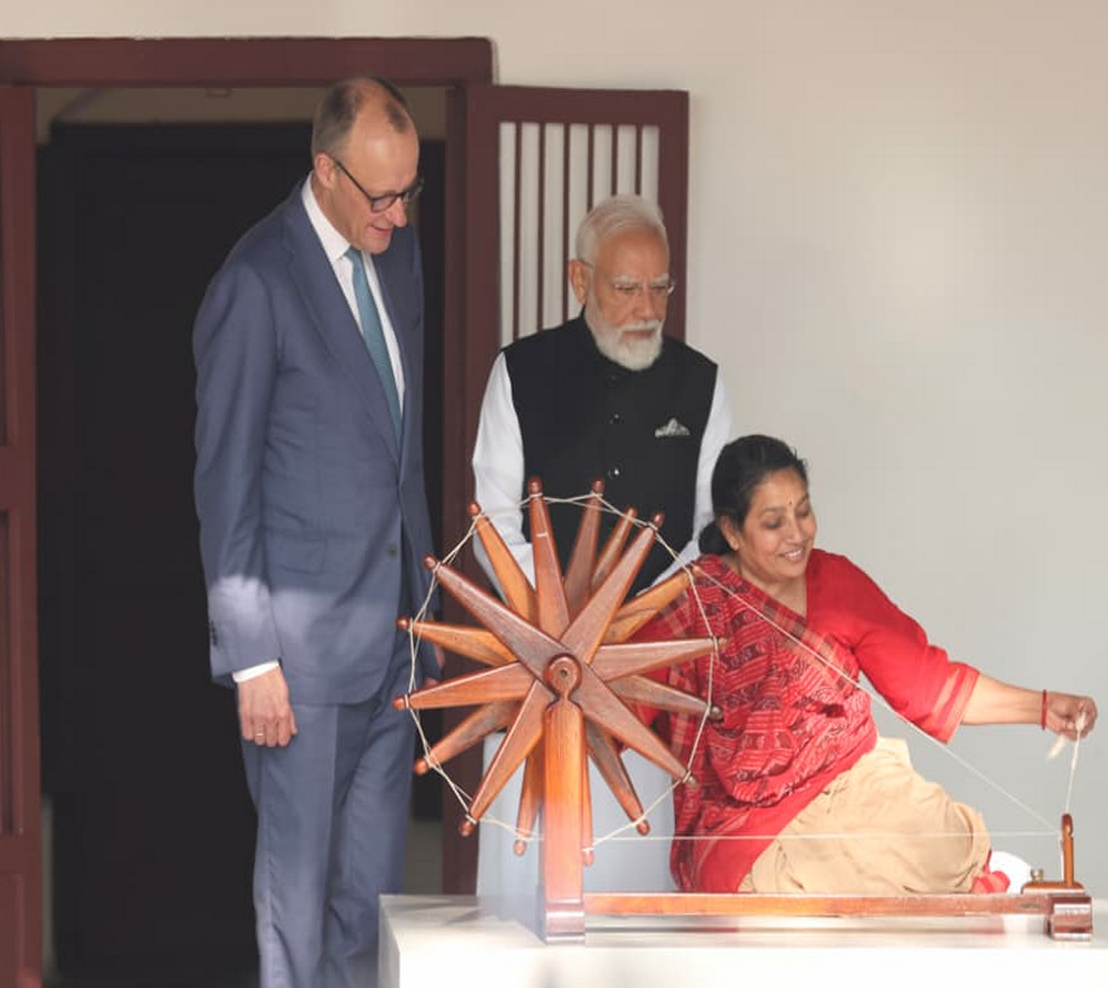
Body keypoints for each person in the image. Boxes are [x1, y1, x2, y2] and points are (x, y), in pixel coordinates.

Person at [193, 76, 438, 987]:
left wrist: (428, 611)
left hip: (394, 642)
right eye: (381, 196)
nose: (399, 216)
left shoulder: (398, 258)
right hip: (295, 664)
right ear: (324, 171)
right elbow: (225, 483)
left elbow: (397, 452)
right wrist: (252, 657)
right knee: (295, 909)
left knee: (367, 901)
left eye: (411, 191)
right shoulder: (256, 282)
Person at [639, 434, 1098, 896]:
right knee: (771, 897)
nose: (797, 534)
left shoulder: (835, 582)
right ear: (733, 532)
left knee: (938, 845)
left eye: (803, 511)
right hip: (746, 825)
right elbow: (609, 693)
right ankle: (973, 888)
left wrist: (1041, 707)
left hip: (852, 785)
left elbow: (928, 682)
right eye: (774, 522)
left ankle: (980, 875)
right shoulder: (690, 605)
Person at [469, 193, 732, 900]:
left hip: (655, 657)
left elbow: (715, 528)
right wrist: (563, 615)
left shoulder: (700, 382)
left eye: (660, 288)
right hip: (537, 654)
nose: (646, 306)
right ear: (580, 281)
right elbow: (493, 515)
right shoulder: (520, 372)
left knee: (643, 869)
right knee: (536, 874)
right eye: (625, 288)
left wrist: (639, 616)